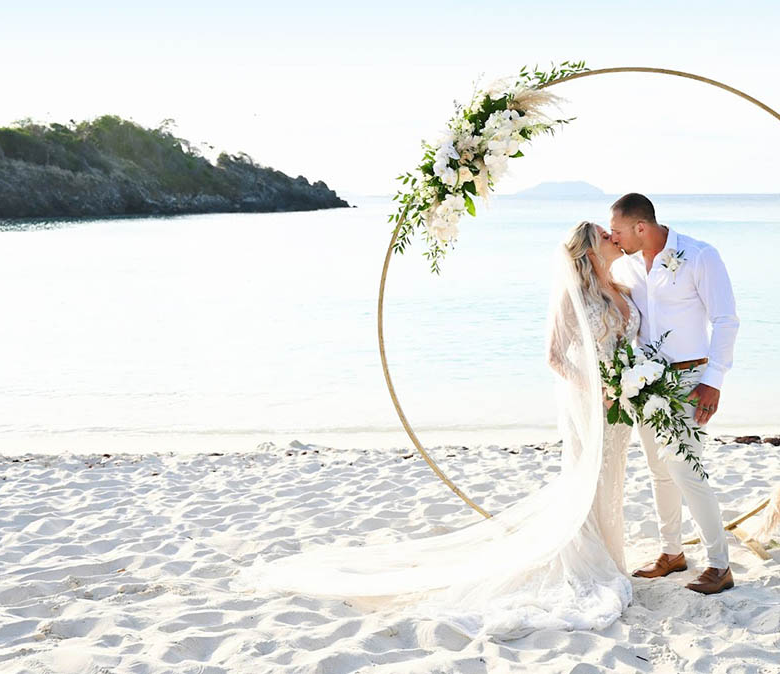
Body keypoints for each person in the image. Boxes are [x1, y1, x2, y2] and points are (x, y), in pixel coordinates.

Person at [234, 221, 638, 640]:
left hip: (621, 405)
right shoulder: (573, 295)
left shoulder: (620, 286)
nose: (613, 238)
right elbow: (555, 357)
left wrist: (633, 383)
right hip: (588, 403)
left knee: (612, 478)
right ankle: (588, 562)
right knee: (583, 480)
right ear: (589, 250)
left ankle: (611, 556)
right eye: (605, 236)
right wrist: (596, 389)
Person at [609, 192, 740, 595]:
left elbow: (726, 320)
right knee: (658, 470)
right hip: (645, 382)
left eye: (618, 231)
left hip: (691, 380)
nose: (614, 239)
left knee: (687, 469)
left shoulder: (700, 257)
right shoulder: (626, 265)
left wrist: (713, 380)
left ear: (641, 227)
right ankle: (672, 553)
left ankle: (720, 565)